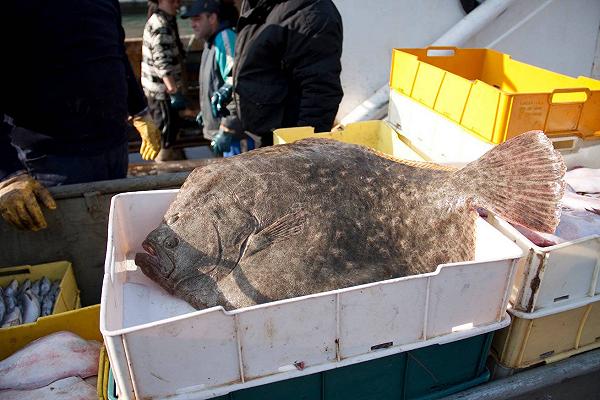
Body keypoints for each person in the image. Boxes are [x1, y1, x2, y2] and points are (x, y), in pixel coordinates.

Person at [0, 0, 161, 232]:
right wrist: (8, 173)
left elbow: (117, 53)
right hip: (50, 162)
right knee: (71, 249)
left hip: (114, 148)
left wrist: (139, 111)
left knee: (113, 239)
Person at [232, 0, 344, 147]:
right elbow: (255, 66)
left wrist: (302, 150)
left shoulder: (311, 12)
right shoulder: (259, 5)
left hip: (285, 145)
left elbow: (320, 92)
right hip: (260, 139)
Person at [182, 0, 254, 157]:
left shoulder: (225, 39)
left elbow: (238, 84)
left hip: (235, 137)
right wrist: (206, 112)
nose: (193, 24)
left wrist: (227, 128)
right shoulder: (211, 43)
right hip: (222, 134)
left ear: (212, 18)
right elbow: (214, 84)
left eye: (197, 18)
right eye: (192, 20)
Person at [142, 0, 187, 159]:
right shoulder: (161, 25)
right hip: (162, 95)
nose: (177, 4)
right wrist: (174, 92)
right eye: (173, 1)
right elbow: (162, 64)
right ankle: (162, 171)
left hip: (156, 93)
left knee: (167, 135)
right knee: (165, 138)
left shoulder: (160, 20)